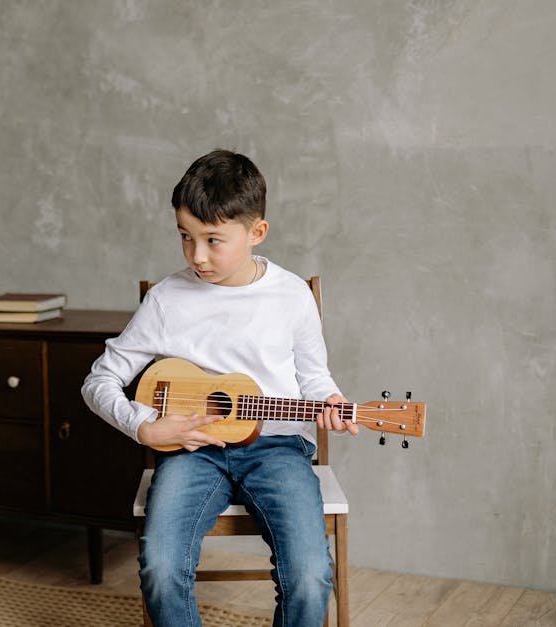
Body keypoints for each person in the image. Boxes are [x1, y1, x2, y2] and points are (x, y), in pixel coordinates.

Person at [81, 149, 359, 626]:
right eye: (186, 238)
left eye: (213, 240)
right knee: (162, 570)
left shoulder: (292, 296)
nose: (198, 256)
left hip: (278, 448)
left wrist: (331, 401)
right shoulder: (167, 300)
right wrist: (143, 427)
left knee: (312, 576)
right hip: (193, 452)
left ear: (257, 232)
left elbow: (315, 377)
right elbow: (98, 380)